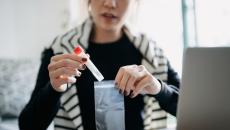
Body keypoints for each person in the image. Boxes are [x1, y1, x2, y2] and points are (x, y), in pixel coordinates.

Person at [19, 0, 180, 130]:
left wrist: (158, 88)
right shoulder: (61, 50)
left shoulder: (152, 53)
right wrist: (54, 89)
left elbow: (193, 110)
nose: (110, 3)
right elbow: (27, 126)